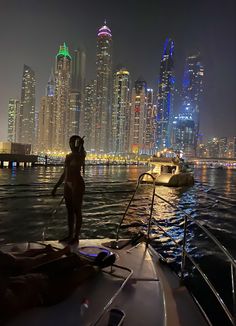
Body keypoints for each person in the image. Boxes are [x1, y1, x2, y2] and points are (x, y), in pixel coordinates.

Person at [0, 245, 116, 323]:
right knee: (84, 272)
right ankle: (98, 266)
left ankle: (93, 262)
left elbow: (22, 262)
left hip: (34, 274)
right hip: (45, 292)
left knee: (73, 259)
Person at [52, 135, 86, 244]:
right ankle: (70, 235)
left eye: (74, 142)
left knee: (77, 211)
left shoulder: (81, 155)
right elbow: (65, 173)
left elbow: (81, 156)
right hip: (68, 184)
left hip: (77, 184)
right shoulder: (68, 156)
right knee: (70, 212)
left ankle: (76, 236)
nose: (71, 144)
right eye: (70, 142)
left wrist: (81, 145)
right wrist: (56, 186)